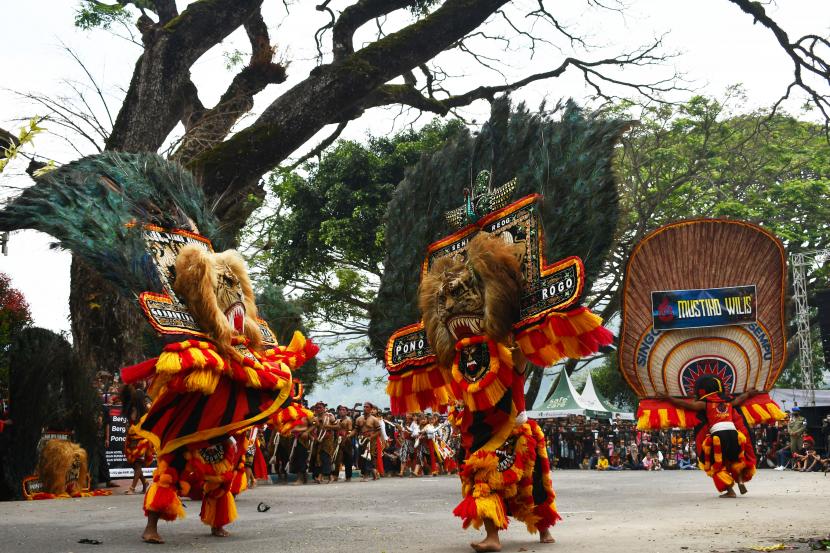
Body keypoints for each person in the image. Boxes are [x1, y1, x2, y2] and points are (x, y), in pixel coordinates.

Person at [664, 377, 759, 498]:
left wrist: (668, 398)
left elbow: (684, 404)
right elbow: (740, 399)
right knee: (735, 459)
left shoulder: (706, 403)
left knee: (717, 463)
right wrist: (749, 393)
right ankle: (740, 481)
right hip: (734, 433)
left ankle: (730, 491)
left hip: (718, 435)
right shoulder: (728, 401)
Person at [354, 402, 382, 481]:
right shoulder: (359, 419)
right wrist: (351, 435)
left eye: (367, 407)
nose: (365, 408)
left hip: (371, 441)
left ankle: (366, 475)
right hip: (361, 440)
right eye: (364, 407)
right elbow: (356, 430)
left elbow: (379, 432)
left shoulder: (374, 419)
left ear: (370, 409)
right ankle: (374, 472)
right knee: (361, 457)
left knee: (369, 457)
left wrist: (371, 437)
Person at [333, 405, 354, 482]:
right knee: (336, 459)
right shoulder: (337, 420)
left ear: (347, 412)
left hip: (346, 441)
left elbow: (349, 431)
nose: (342, 411)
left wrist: (345, 439)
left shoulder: (348, 420)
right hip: (338, 440)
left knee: (348, 459)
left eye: (344, 410)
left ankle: (348, 477)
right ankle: (335, 475)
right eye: (340, 410)